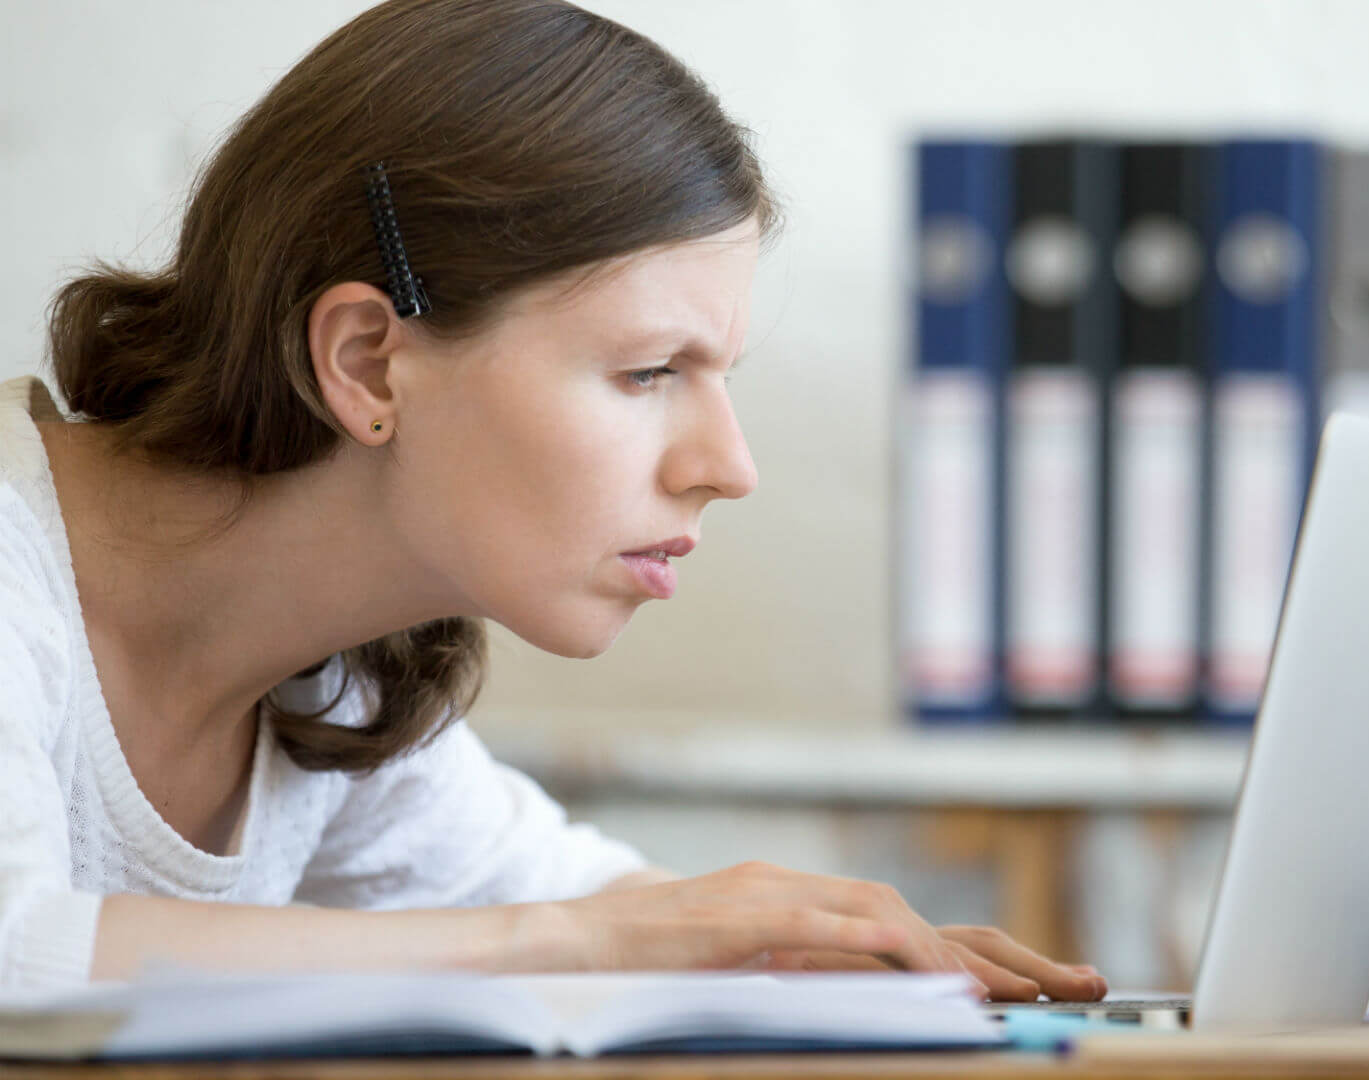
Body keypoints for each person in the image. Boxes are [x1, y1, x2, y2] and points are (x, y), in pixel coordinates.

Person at [0, 0, 1107, 1004]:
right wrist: (579, 938)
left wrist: (821, 954)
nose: (729, 465)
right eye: (646, 372)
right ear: (369, 362)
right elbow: (17, 950)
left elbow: (586, 902)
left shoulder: (331, 686)